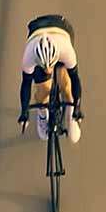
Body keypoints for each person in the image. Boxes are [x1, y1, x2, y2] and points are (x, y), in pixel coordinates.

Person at [17, 14, 85, 143]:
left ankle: (70, 115)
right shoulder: (29, 56)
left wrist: (77, 106)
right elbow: (26, 84)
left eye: (50, 65)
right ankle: (42, 114)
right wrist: (24, 111)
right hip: (37, 36)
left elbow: (75, 78)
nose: (48, 70)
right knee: (43, 90)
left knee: (66, 83)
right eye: (45, 66)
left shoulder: (66, 51)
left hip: (62, 32)